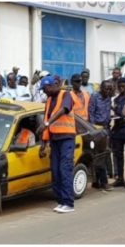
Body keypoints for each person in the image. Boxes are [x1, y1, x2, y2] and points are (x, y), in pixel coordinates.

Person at [37, 75, 75, 213]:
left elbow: (64, 110)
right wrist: (43, 143)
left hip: (66, 138)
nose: (44, 91)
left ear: (53, 85)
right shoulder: (48, 101)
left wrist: (47, 123)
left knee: (65, 169)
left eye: (45, 88)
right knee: (55, 170)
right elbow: (45, 123)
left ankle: (68, 202)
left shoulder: (66, 95)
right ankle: (60, 200)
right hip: (54, 139)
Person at [88, 80, 113, 191]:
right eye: (106, 88)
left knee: (104, 154)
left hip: (106, 128)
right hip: (97, 129)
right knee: (101, 155)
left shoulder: (108, 99)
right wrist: (94, 130)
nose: (108, 90)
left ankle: (97, 181)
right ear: (101, 88)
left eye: (110, 88)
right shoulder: (94, 97)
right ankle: (104, 182)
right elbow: (91, 113)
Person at [111, 77, 125, 188]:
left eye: (123, 85)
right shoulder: (117, 99)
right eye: (120, 86)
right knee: (118, 155)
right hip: (117, 129)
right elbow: (117, 112)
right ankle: (120, 178)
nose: (121, 88)